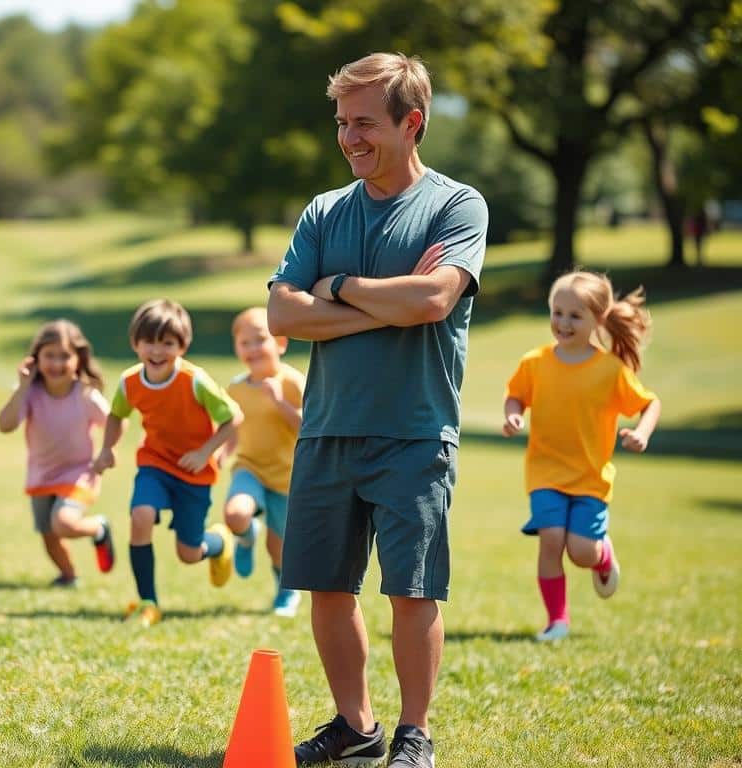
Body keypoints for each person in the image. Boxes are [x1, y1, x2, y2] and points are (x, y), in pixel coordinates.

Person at [267, 53, 488, 767]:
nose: (349, 137)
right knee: (328, 589)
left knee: (412, 592)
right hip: (327, 428)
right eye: (341, 123)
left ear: (411, 122)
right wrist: (381, 307)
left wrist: (337, 288)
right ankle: (355, 726)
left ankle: (413, 733)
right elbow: (280, 315)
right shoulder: (324, 210)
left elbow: (432, 300)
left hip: (414, 433)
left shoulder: (457, 207)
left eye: (364, 123)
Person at [503, 270, 660, 642]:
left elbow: (649, 402)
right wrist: (513, 414)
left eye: (575, 315)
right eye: (557, 312)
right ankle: (557, 621)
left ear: (598, 320)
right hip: (545, 472)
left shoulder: (610, 370)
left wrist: (641, 432)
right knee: (551, 540)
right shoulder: (535, 362)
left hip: (591, 477)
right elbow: (516, 395)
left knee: (581, 553)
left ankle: (602, 555)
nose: (563, 322)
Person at [91, 298, 242, 627]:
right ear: (135, 344)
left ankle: (218, 543)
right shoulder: (130, 382)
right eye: (149, 342)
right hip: (155, 463)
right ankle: (149, 601)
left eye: (167, 343)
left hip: (194, 472)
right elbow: (116, 415)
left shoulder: (196, 381)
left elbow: (233, 418)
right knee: (140, 515)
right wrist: (106, 449)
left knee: (188, 554)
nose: (157, 351)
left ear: (183, 346)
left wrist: (206, 452)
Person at [0, 319, 116, 587]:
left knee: (63, 522)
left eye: (65, 356)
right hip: (41, 475)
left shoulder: (85, 394)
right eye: (49, 355)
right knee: (49, 536)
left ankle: (99, 527)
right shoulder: (30, 393)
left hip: (80, 473)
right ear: (36, 357)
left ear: (78, 359)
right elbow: (5, 425)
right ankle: (69, 576)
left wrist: (107, 451)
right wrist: (23, 386)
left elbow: (115, 422)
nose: (56, 363)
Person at [221, 307, 306, 617]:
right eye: (245, 343)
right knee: (235, 514)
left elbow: (308, 428)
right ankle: (246, 537)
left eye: (260, 340)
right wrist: (222, 453)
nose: (253, 348)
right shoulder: (236, 388)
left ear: (280, 343)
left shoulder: (292, 381)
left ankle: (286, 591)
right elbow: (234, 427)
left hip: (286, 477)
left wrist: (279, 402)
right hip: (249, 468)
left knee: (278, 548)